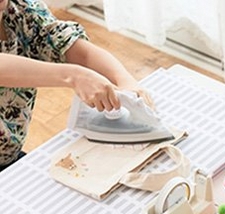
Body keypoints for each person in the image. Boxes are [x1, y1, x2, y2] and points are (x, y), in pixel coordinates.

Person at [0, 0, 152, 170]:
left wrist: (125, 80)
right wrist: (75, 76)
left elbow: (78, 50)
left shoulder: (21, 9)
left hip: (9, 154)